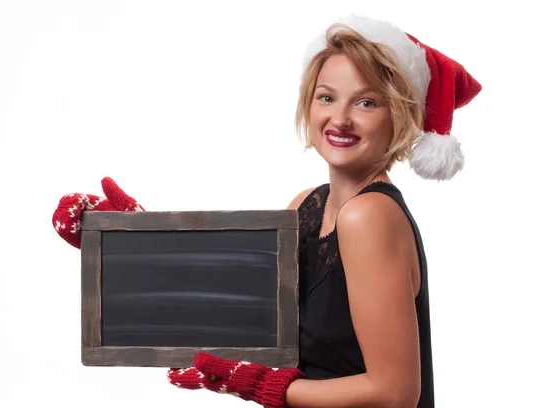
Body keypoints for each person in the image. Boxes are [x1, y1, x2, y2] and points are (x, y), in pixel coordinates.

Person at [52, 13, 481, 408]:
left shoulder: (368, 217)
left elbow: (394, 393)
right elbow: (248, 317)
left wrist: (262, 385)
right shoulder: (307, 206)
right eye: (326, 97)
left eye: (366, 102)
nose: (340, 118)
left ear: (399, 115)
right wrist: (137, 245)